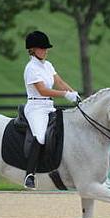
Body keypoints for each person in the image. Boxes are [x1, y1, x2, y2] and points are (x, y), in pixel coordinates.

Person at [22, 30, 79, 189]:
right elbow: (42, 90)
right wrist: (65, 95)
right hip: (36, 107)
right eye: (42, 48)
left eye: (46, 48)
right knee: (40, 137)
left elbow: (60, 82)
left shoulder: (47, 65)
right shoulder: (31, 68)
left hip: (49, 106)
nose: (45, 51)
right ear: (32, 49)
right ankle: (29, 174)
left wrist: (75, 94)